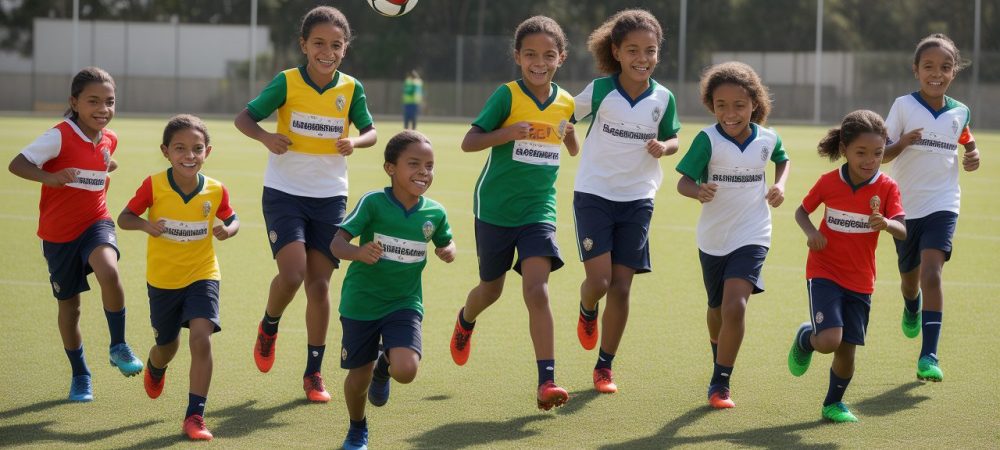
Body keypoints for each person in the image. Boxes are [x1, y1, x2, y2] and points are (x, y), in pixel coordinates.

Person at [234, 5, 377, 402]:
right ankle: (269, 324)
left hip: (330, 197)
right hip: (284, 192)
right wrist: (266, 138)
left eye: (335, 45)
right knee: (294, 274)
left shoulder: (351, 89)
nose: (326, 51)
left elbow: (371, 132)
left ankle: (314, 373)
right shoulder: (286, 82)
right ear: (304, 45)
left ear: (345, 49)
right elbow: (243, 119)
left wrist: (356, 141)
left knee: (319, 285)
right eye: (318, 43)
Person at [447, 15, 578, 410]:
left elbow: (569, 148)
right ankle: (466, 319)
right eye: (531, 54)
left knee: (536, 289)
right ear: (518, 57)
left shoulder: (567, 102)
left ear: (562, 57)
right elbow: (470, 143)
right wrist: (508, 132)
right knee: (491, 289)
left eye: (549, 55)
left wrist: (571, 137)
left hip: (539, 210)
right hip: (495, 209)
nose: (540, 62)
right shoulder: (506, 95)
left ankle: (547, 382)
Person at [7, 67, 143, 402]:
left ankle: (118, 346)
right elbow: (17, 163)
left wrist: (105, 166)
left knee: (109, 270)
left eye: (109, 102)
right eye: (93, 101)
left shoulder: (109, 138)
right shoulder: (59, 135)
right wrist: (49, 178)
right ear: (74, 102)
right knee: (71, 309)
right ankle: (81, 374)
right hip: (58, 236)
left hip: (96, 222)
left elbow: (103, 160)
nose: (103, 109)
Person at [572, 9, 680, 395]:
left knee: (620, 287)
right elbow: (562, 114)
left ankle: (604, 366)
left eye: (650, 50)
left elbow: (674, 139)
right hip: (594, 194)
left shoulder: (664, 97)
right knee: (598, 282)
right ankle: (587, 310)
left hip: (638, 199)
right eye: (633, 50)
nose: (642, 58)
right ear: (616, 52)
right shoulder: (600, 91)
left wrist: (663, 147)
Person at [117, 114, 239, 440]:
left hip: (203, 274)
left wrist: (228, 230)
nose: (189, 155)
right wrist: (145, 225)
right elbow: (125, 217)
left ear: (207, 152)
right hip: (163, 281)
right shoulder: (154, 185)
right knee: (166, 346)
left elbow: (233, 217)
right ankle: (156, 368)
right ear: (166, 151)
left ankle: (195, 416)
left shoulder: (215, 190)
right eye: (180, 148)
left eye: (197, 149)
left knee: (202, 337)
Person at [331, 130, 455, 450]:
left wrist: (448, 250)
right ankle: (357, 427)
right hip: (362, 303)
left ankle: (383, 367)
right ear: (390, 168)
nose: (423, 172)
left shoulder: (434, 213)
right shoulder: (373, 202)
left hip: (404, 302)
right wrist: (359, 253)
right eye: (413, 164)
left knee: (406, 370)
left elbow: (445, 240)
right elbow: (337, 243)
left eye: (429, 166)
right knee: (358, 379)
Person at [675, 62, 788, 408]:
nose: (730, 113)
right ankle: (718, 352)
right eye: (721, 105)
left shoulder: (768, 138)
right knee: (716, 309)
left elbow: (782, 160)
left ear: (754, 103)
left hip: (753, 232)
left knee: (735, 306)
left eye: (739, 105)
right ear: (712, 105)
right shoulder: (707, 140)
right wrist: (699, 192)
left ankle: (720, 382)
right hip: (713, 237)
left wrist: (780, 185)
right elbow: (683, 182)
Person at [787, 110, 906, 423]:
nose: (870, 160)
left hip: (861, 280)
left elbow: (904, 231)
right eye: (862, 153)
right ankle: (805, 339)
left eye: (878, 153)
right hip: (824, 271)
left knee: (847, 350)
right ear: (845, 150)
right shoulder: (829, 183)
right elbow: (801, 212)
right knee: (828, 341)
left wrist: (887, 224)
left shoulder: (887, 187)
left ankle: (832, 404)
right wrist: (812, 233)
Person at [882, 33, 981, 382]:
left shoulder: (960, 110)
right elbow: (879, 153)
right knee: (910, 282)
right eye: (928, 67)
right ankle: (911, 305)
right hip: (903, 208)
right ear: (916, 70)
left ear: (954, 72)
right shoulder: (903, 106)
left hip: (943, 203)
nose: (936, 73)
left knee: (932, 274)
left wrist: (972, 154)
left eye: (945, 67)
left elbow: (964, 136)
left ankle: (929, 354)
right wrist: (902, 143)